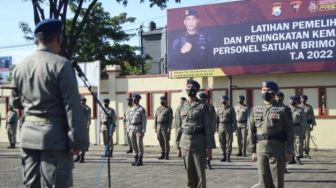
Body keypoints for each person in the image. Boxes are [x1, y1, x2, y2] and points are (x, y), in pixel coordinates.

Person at [10, 19, 89, 188]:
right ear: (58, 38)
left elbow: (15, 102)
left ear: (36, 40)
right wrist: (79, 141)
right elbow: (72, 106)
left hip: (28, 136)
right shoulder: (61, 65)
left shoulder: (19, 67)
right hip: (55, 139)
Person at [248, 81, 294, 188]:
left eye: (268, 90)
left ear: (275, 93)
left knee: (277, 180)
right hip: (260, 148)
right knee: (263, 179)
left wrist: (289, 151)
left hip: (277, 148)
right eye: (264, 90)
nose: (266, 92)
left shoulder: (284, 109)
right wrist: (253, 150)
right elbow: (251, 130)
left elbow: (289, 131)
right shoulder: (256, 109)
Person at [175, 80, 215, 188]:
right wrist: (177, 146)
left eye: (192, 87)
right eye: (188, 87)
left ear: (196, 90)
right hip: (185, 144)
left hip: (199, 143)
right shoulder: (181, 106)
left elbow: (208, 128)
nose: (189, 89)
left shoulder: (203, 106)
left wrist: (209, 148)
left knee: (200, 174)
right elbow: (178, 127)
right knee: (189, 174)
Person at [275, 91, 293, 173]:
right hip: (274, 133)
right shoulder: (272, 107)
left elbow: (289, 123)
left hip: (283, 133)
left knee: (284, 151)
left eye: (279, 97)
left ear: (282, 98)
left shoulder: (286, 108)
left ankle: (284, 168)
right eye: (276, 97)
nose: (277, 98)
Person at [198, 92, 216, 170]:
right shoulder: (198, 106)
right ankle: (203, 162)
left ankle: (208, 162)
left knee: (209, 147)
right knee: (201, 147)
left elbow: (213, 119)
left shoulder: (210, 107)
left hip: (208, 130)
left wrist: (212, 129)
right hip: (201, 130)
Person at [216, 95, 237, 162]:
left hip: (228, 126)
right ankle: (224, 155)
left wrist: (234, 128)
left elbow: (234, 119)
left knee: (229, 142)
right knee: (221, 142)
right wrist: (216, 127)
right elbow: (216, 119)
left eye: (225, 99)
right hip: (221, 126)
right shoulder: (218, 109)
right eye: (222, 99)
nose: (223, 101)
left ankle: (228, 156)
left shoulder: (231, 108)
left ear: (227, 100)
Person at [128, 94, 147, 166]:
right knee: (133, 145)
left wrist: (143, 130)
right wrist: (129, 129)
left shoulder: (141, 109)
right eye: (133, 99)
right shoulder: (130, 109)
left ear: (138, 100)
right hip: (132, 128)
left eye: (136, 99)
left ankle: (140, 160)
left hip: (139, 128)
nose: (134, 100)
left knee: (139, 144)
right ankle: (135, 159)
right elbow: (128, 120)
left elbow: (144, 121)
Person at [289, 96, 306, 165]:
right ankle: (291, 158)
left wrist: (304, 131)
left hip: (297, 128)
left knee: (298, 143)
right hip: (289, 129)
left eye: (291, 100)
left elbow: (304, 121)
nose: (290, 101)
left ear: (295, 101)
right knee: (290, 143)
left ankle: (297, 157)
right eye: (290, 100)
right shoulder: (287, 109)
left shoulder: (300, 110)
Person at [74, 96, 91, 163]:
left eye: (83, 100)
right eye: (81, 100)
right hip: (77, 127)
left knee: (83, 142)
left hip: (84, 128)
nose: (82, 102)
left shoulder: (87, 108)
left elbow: (88, 119)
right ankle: (77, 156)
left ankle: (82, 157)